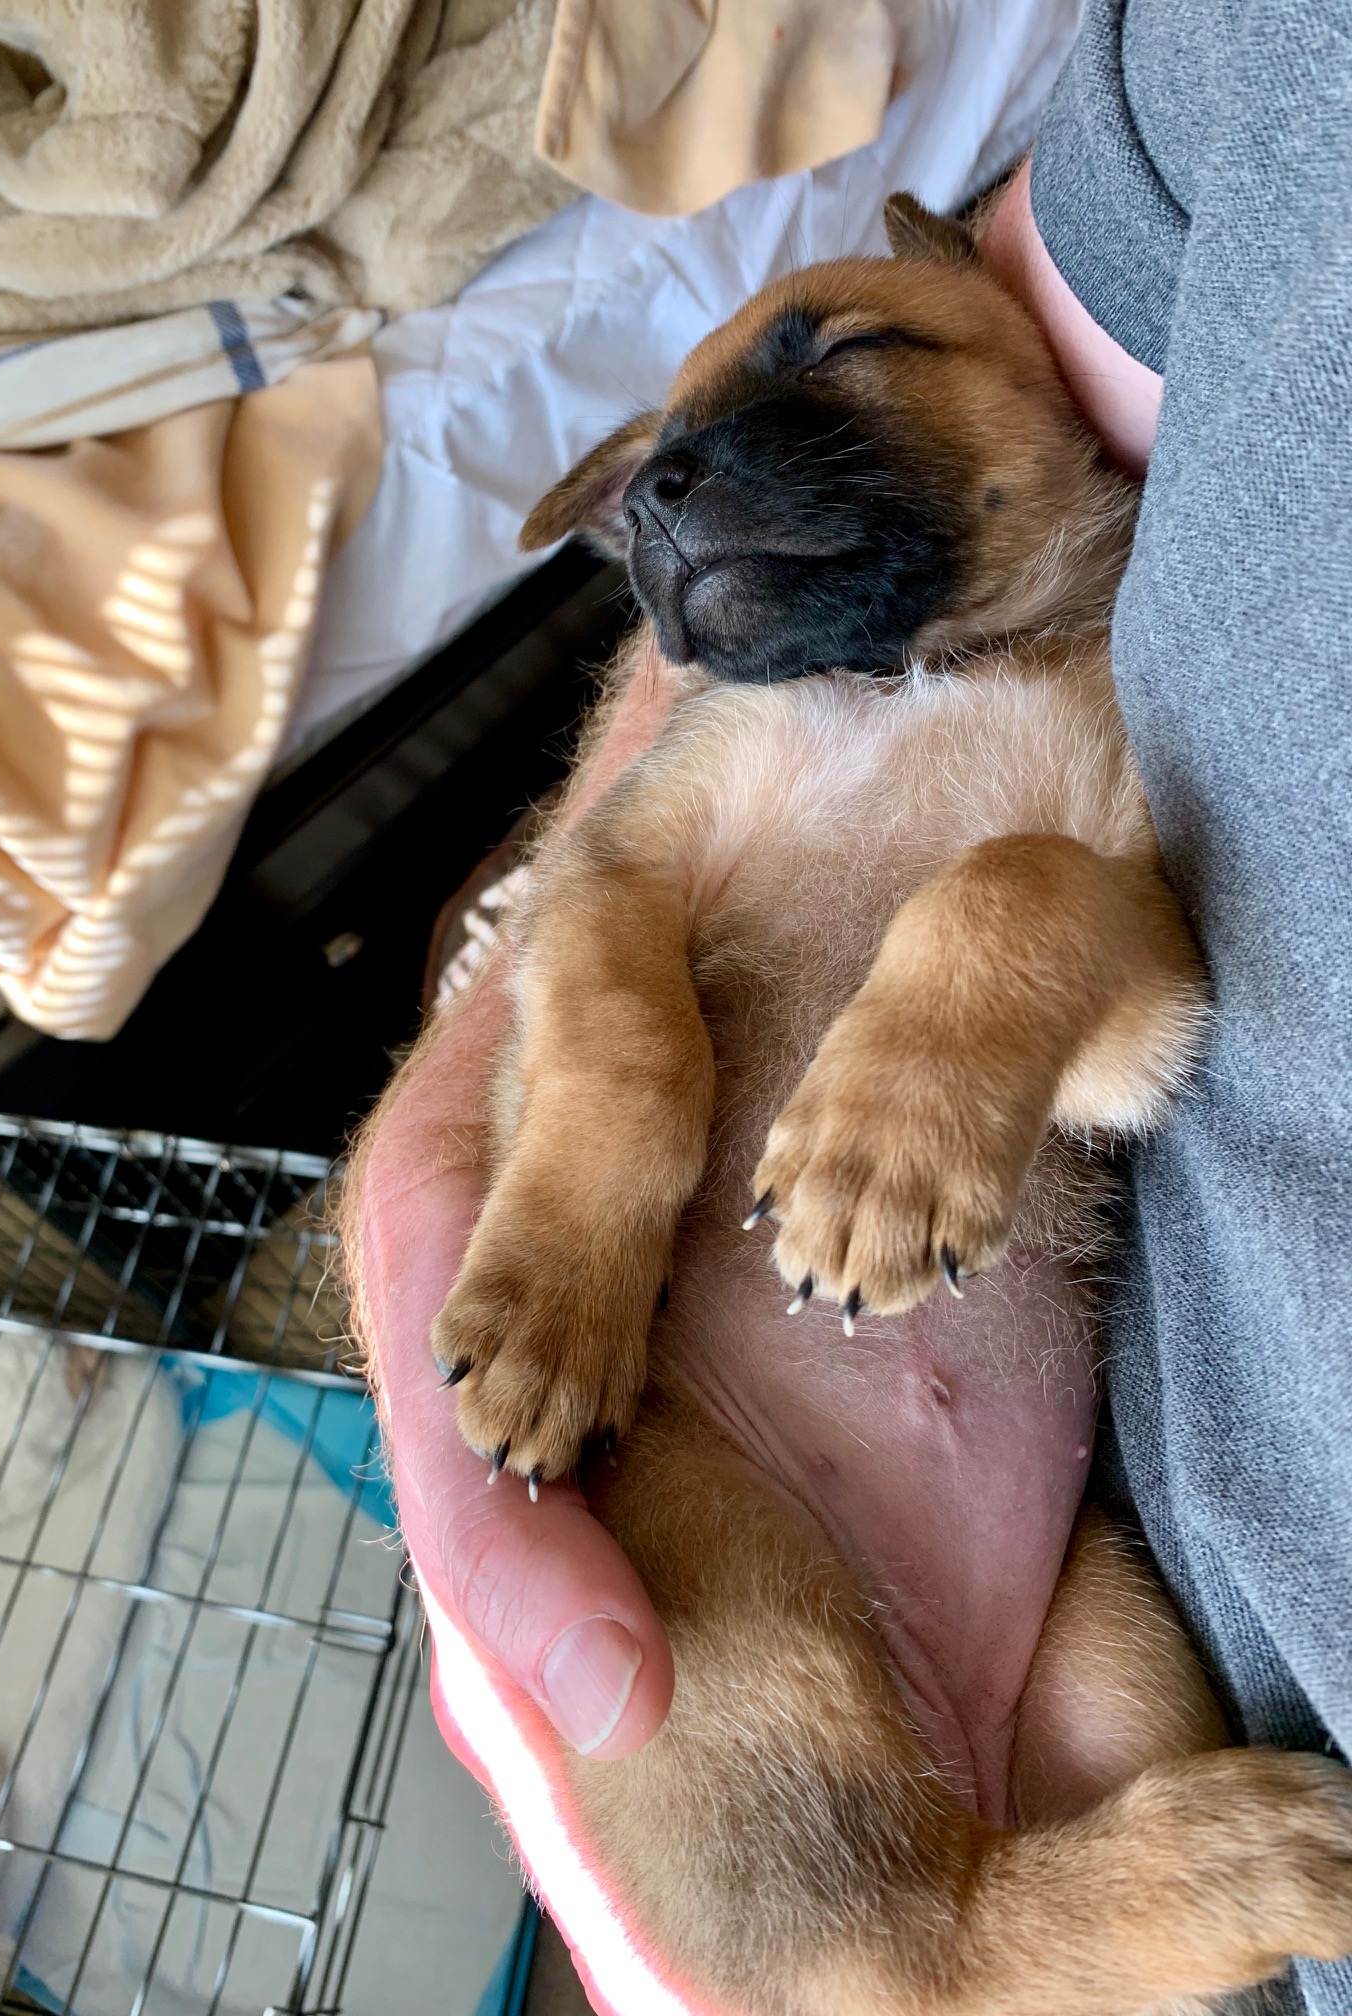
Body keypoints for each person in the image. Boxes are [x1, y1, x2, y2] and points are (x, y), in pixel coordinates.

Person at [350, 1, 1352, 2009]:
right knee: (715, 1661)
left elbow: (1134, 1019)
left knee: (1102, 1747)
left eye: (832, 356)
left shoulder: (1104, 708)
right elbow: (601, 891)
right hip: (730, 1438)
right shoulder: (767, 723)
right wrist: (585, 1146)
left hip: (1070, 1590)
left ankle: (976, 1950)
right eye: (652, 487)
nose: (677, 491)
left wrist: (994, 959)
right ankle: (950, 1954)